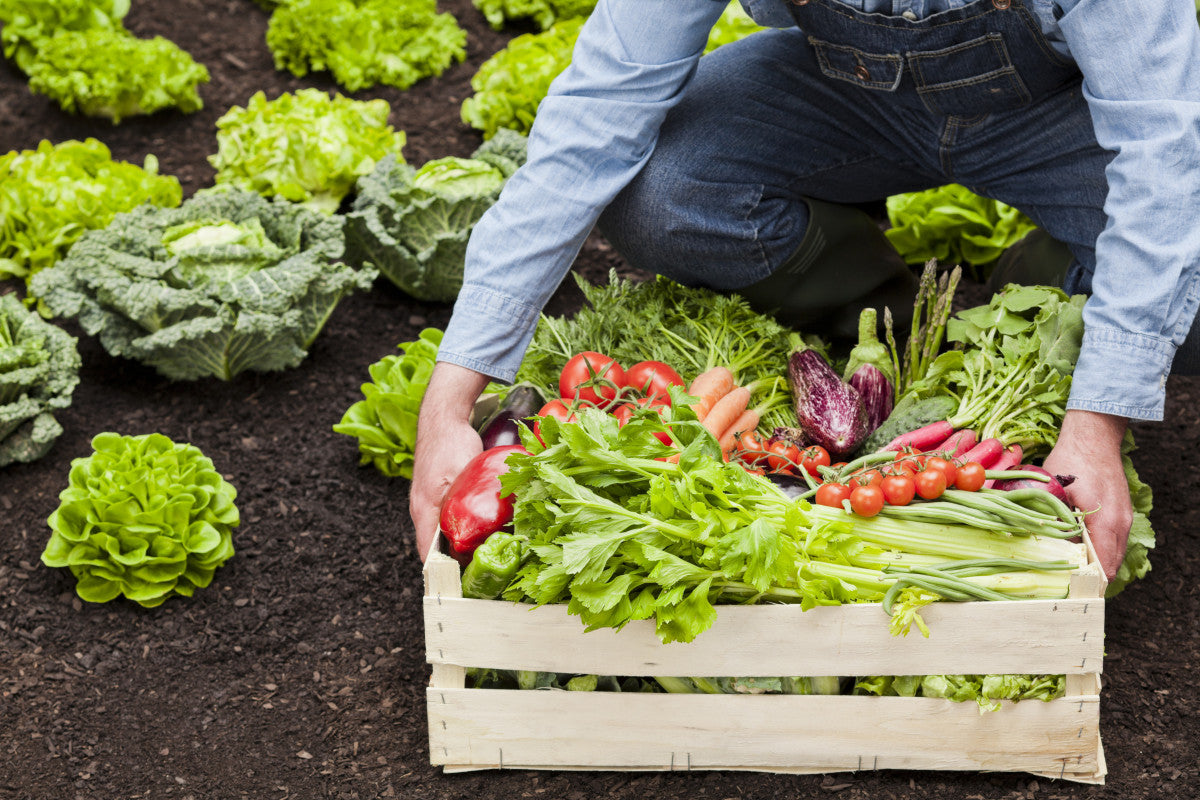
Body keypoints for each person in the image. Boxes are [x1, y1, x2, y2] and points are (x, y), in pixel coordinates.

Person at [411, 0, 1200, 581]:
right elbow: (596, 113)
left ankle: (1041, 298)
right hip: (848, 98)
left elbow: (1162, 155)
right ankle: (872, 306)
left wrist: (1097, 426)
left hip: (1058, 112)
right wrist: (449, 402)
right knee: (666, 192)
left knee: (1188, 288)